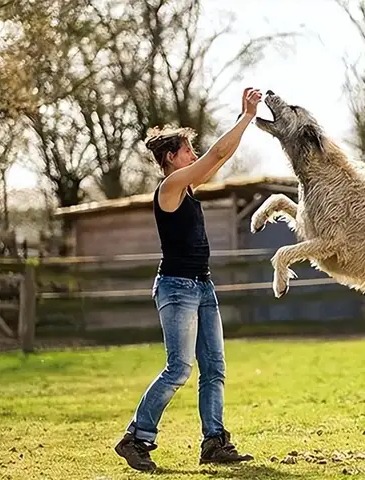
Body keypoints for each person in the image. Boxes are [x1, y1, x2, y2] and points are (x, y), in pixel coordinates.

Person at [114, 87, 263, 472]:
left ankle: (214, 441)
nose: (193, 157)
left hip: (202, 286)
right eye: (186, 152)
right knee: (179, 368)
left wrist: (242, 122)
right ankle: (136, 438)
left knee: (213, 368)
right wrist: (246, 117)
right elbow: (215, 155)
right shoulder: (170, 188)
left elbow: (219, 157)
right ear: (170, 158)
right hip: (177, 288)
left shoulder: (188, 186)